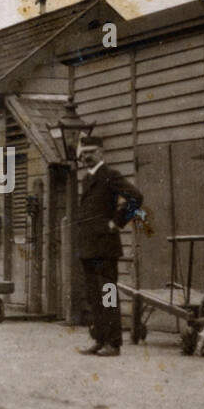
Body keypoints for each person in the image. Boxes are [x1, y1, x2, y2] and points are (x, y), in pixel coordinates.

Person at [75, 136, 143, 356]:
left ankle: (113, 343)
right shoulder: (87, 179)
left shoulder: (110, 176)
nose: (87, 156)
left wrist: (117, 221)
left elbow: (136, 197)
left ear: (102, 153)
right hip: (88, 246)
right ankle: (99, 339)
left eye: (91, 152)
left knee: (108, 294)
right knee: (94, 296)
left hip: (104, 246)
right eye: (84, 152)